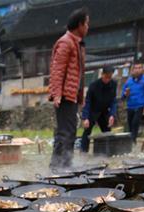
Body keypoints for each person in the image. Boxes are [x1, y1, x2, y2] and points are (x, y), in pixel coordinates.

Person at [48, 8, 89, 170]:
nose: (87, 27)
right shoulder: (66, 42)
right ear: (79, 24)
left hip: (71, 96)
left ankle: (64, 165)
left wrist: (80, 97)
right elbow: (57, 70)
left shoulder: (76, 43)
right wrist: (57, 94)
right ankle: (58, 168)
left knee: (70, 132)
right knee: (64, 133)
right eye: (86, 24)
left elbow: (77, 74)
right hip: (64, 96)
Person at [79, 66, 118, 152]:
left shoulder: (113, 84)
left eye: (110, 77)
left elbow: (113, 101)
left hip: (104, 111)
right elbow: (88, 102)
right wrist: (85, 117)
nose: (107, 79)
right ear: (102, 74)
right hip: (93, 111)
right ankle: (83, 151)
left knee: (107, 131)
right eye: (106, 77)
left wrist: (112, 114)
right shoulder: (93, 86)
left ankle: (108, 151)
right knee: (87, 131)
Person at [121, 63, 144, 142]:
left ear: (142, 69)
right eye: (136, 68)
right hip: (130, 106)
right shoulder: (129, 82)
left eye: (139, 68)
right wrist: (125, 94)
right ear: (132, 70)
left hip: (140, 106)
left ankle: (133, 140)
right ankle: (131, 141)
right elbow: (123, 95)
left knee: (135, 123)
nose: (137, 70)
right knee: (130, 124)